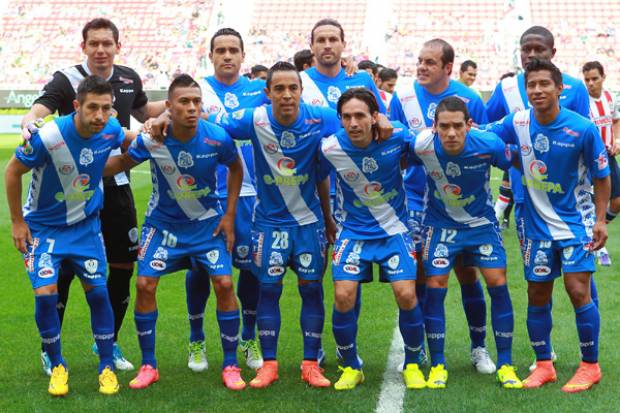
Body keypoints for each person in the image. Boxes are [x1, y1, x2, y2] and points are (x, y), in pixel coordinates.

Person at [20, 18, 166, 374]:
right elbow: (40, 108)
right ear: (83, 47)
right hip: (70, 192)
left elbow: (143, 113)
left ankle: (109, 341)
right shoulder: (66, 79)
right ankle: (50, 350)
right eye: (94, 44)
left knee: (122, 266)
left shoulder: (130, 77)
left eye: (107, 44)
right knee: (63, 271)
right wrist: (29, 121)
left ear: (118, 46)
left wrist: (176, 106)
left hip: (115, 189)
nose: (101, 49)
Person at [103, 74, 246, 390]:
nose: (192, 108)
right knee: (144, 285)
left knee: (224, 284)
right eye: (184, 102)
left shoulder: (217, 137)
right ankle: (149, 365)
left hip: (207, 225)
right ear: (169, 106)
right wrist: (80, 167)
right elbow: (123, 162)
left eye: (196, 102)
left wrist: (230, 215)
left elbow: (236, 168)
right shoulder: (152, 138)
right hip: (163, 227)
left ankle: (231, 364)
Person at [208, 62, 342, 388]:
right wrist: (163, 119)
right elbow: (208, 124)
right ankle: (269, 364)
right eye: (278, 89)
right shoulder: (254, 119)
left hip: (309, 225)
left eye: (292, 88)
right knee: (268, 291)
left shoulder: (320, 117)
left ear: (300, 90)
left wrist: (327, 218)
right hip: (269, 226)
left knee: (311, 291)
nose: (286, 95)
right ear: (267, 93)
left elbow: (357, 128)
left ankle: (311, 363)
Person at [487, 58, 610, 393]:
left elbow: (602, 176)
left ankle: (590, 366)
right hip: (536, 227)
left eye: (544, 84)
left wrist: (600, 220)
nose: (537, 90)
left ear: (559, 88)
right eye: (531, 85)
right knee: (537, 293)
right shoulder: (518, 121)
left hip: (576, 225)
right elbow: (483, 133)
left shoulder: (581, 128)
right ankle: (544, 365)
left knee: (577, 290)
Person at [6, 76, 130, 396]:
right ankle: (57, 364)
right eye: (93, 108)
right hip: (44, 229)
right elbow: (12, 171)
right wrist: (18, 222)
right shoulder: (47, 137)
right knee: (46, 294)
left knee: (99, 294)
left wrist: (151, 134)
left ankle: (105, 366)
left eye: (106, 108)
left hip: (85, 228)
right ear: (76, 106)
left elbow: (131, 140)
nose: (100, 115)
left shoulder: (111, 129)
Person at [390, 38, 495, 374]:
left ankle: (479, 347)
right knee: (422, 270)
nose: (421, 67)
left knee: (467, 271)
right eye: (419, 60)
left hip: (462, 202)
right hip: (417, 199)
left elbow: (481, 144)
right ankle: (421, 345)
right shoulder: (403, 97)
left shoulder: (471, 99)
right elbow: (395, 144)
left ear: (448, 67)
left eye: (430, 62)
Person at [408, 96, 521, 389]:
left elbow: (517, 161)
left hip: (481, 225)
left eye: (457, 126)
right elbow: (392, 148)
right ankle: (438, 365)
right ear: (434, 127)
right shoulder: (421, 144)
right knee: (434, 289)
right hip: (440, 224)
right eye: (443, 126)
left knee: (497, 284)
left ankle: (501, 361)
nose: (451, 133)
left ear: (469, 125)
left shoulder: (488, 144)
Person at [319, 88, 427, 391]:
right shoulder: (330, 148)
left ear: (374, 117)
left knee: (406, 294)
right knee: (343, 296)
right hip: (353, 233)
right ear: (340, 119)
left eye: (360, 116)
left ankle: (413, 364)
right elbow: (316, 176)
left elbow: (425, 146)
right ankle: (351, 366)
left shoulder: (397, 138)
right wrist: (328, 219)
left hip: (394, 231)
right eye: (347, 117)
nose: (353, 123)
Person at [582, 60, 620, 266]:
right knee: (592, 202)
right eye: (586, 79)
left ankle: (596, 229)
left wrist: (617, 141)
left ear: (603, 77)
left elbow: (615, 121)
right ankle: (599, 247)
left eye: (594, 78)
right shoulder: (582, 102)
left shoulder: (610, 97)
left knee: (617, 201)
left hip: (609, 156)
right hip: (588, 159)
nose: (590, 83)